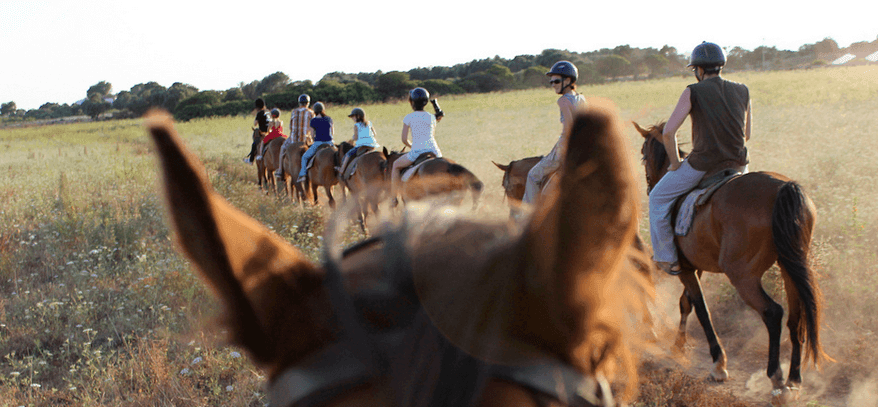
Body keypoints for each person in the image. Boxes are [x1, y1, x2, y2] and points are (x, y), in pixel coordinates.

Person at [649, 41, 752, 275]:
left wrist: (675, 164)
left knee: (657, 198)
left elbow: (668, 133)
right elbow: (747, 134)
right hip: (739, 165)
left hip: (704, 166)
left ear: (699, 70)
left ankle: (667, 259)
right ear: (720, 66)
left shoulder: (692, 91)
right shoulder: (743, 89)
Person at [521, 60, 587, 205]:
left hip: (565, 147)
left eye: (556, 81)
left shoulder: (563, 101)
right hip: (584, 146)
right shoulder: (582, 99)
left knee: (532, 175)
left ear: (568, 80)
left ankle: (529, 217)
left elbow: (569, 128)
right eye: (551, 82)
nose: (553, 85)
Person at [390, 87, 443, 203]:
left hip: (417, 151)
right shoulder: (431, 117)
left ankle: (394, 198)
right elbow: (438, 118)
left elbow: (404, 139)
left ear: (412, 102)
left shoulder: (408, 117)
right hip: (435, 152)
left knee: (395, 165)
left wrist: (411, 146)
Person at [276, 94, 315, 179]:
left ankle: (280, 170)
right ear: (307, 103)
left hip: (293, 139)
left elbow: (290, 126)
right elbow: (313, 128)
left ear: (299, 103)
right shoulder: (311, 112)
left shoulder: (294, 111)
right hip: (306, 140)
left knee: (282, 148)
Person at [296, 102, 334, 183]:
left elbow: (312, 134)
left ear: (315, 111)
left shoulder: (313, 120)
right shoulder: (329, 119)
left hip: (318, 143)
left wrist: (312, 139)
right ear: (323, 110)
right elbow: (332, 132)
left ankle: (303, 174)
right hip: (330, 142)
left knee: (305, 157)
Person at [338, 107, 380, 176]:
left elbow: (356, 137)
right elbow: (375, 134)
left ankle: (342, 170)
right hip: (372, 145)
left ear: (358, 116)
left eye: (353, 117)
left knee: (348, 155)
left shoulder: (356, 125)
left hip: (361, 145)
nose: (352, 118)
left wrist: (352, 139)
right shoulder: (369, 123)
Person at [243, 98, 270, 164]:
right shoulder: (268, 112)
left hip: (263, 132)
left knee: (254, 144)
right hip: (270, 132)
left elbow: (255, 124)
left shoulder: (260, 113)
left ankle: (251, 160)